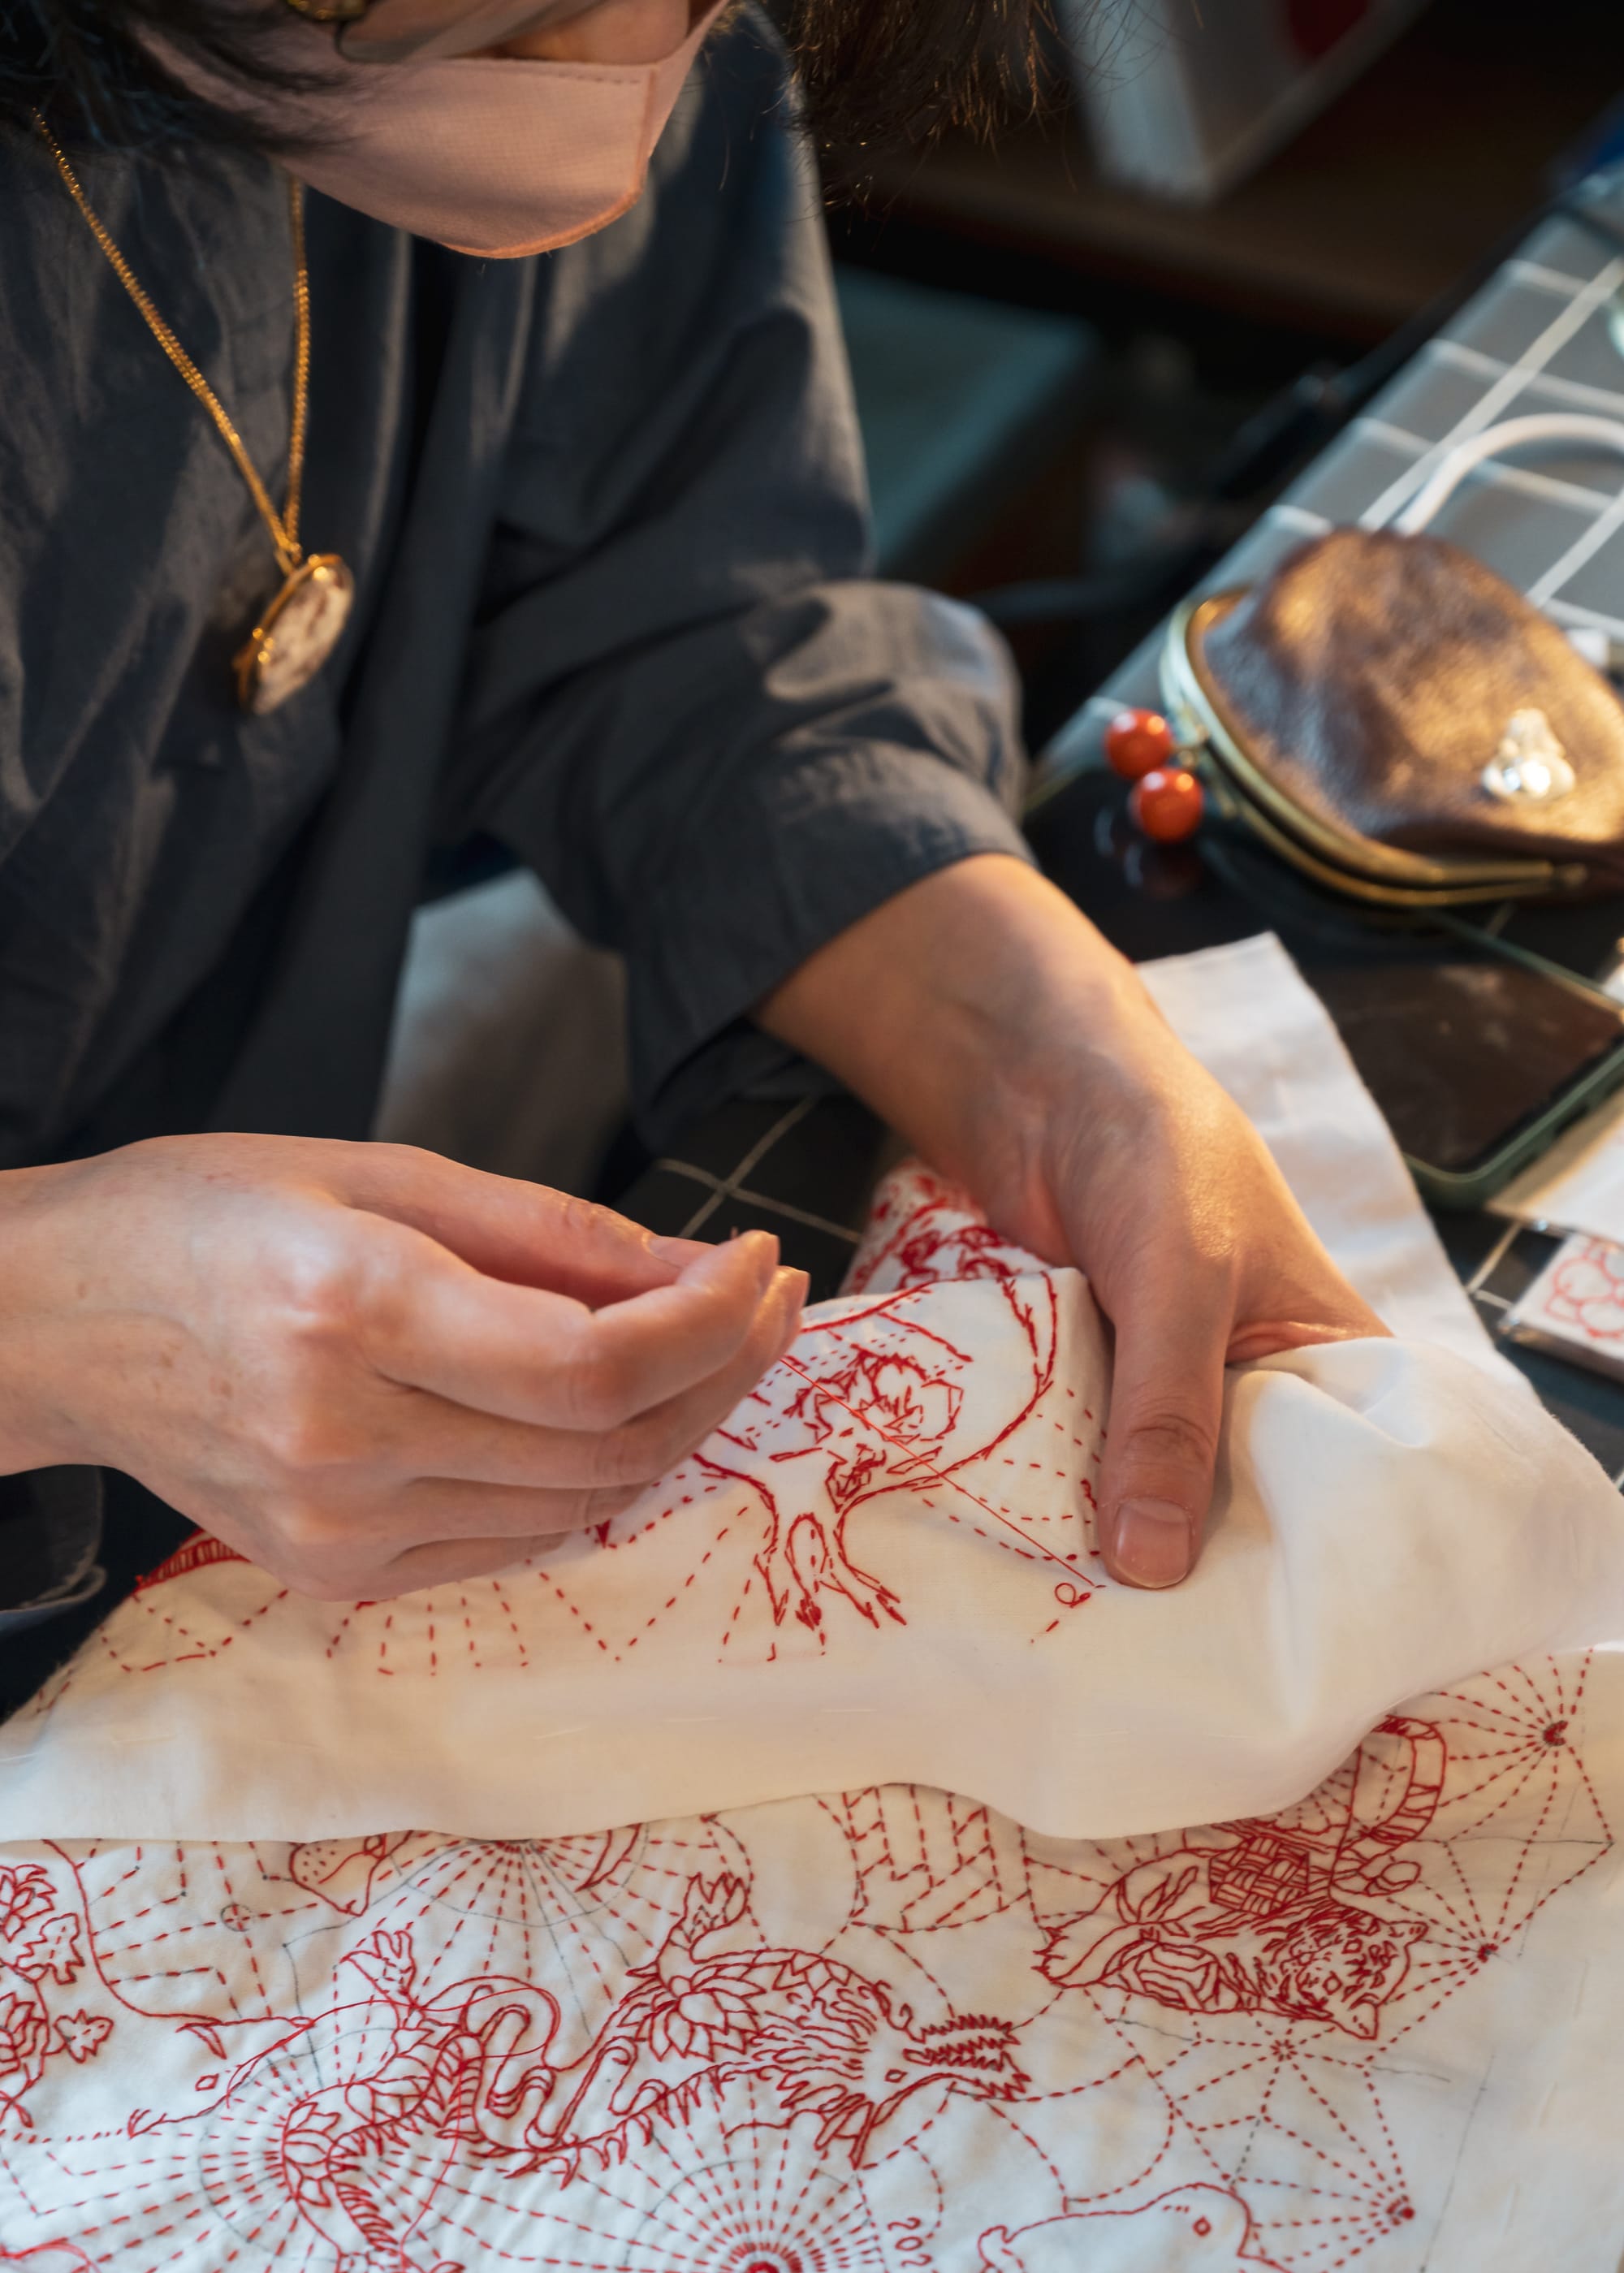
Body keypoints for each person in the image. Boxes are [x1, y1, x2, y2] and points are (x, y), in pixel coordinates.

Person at [0, 0, 1380, 1669]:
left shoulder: (593, 35)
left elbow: (663, 618)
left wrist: (1048, 1042)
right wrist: (51, 1324)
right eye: (518, 22)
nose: (623, 75)